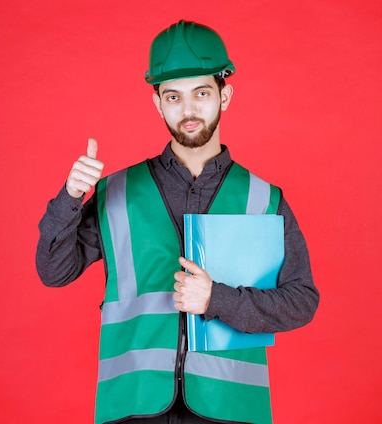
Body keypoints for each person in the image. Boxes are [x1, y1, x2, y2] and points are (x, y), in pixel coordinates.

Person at [36, 20, 320, 424]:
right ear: (158, 104)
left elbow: (302, 301)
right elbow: (54, 271)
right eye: (173, 96)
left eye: (201, 93)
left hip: (230, 409)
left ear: (225, 96)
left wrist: (216, 300)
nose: (187, 110)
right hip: (134, 405)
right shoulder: (117, 192)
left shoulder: (263, 199)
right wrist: (69, 198)